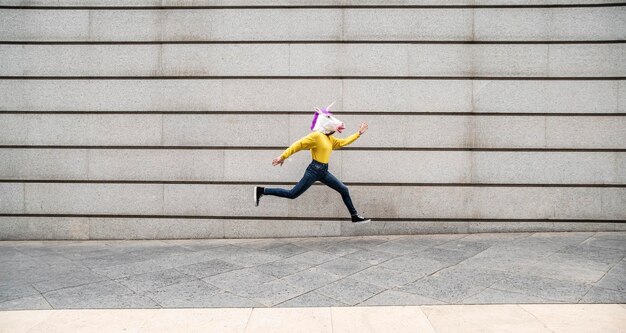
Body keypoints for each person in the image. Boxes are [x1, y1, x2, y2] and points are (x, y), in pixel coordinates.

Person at [254, 103, 371, 223]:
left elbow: (343, 142)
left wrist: (358, 134)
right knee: (292, 194)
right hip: (314, 170)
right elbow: (298, 145)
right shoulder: (316, 136)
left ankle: (354, 216)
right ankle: (262, 191)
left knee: (344, 189)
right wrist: (282, 156)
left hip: (323, 171)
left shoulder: (329, 138)